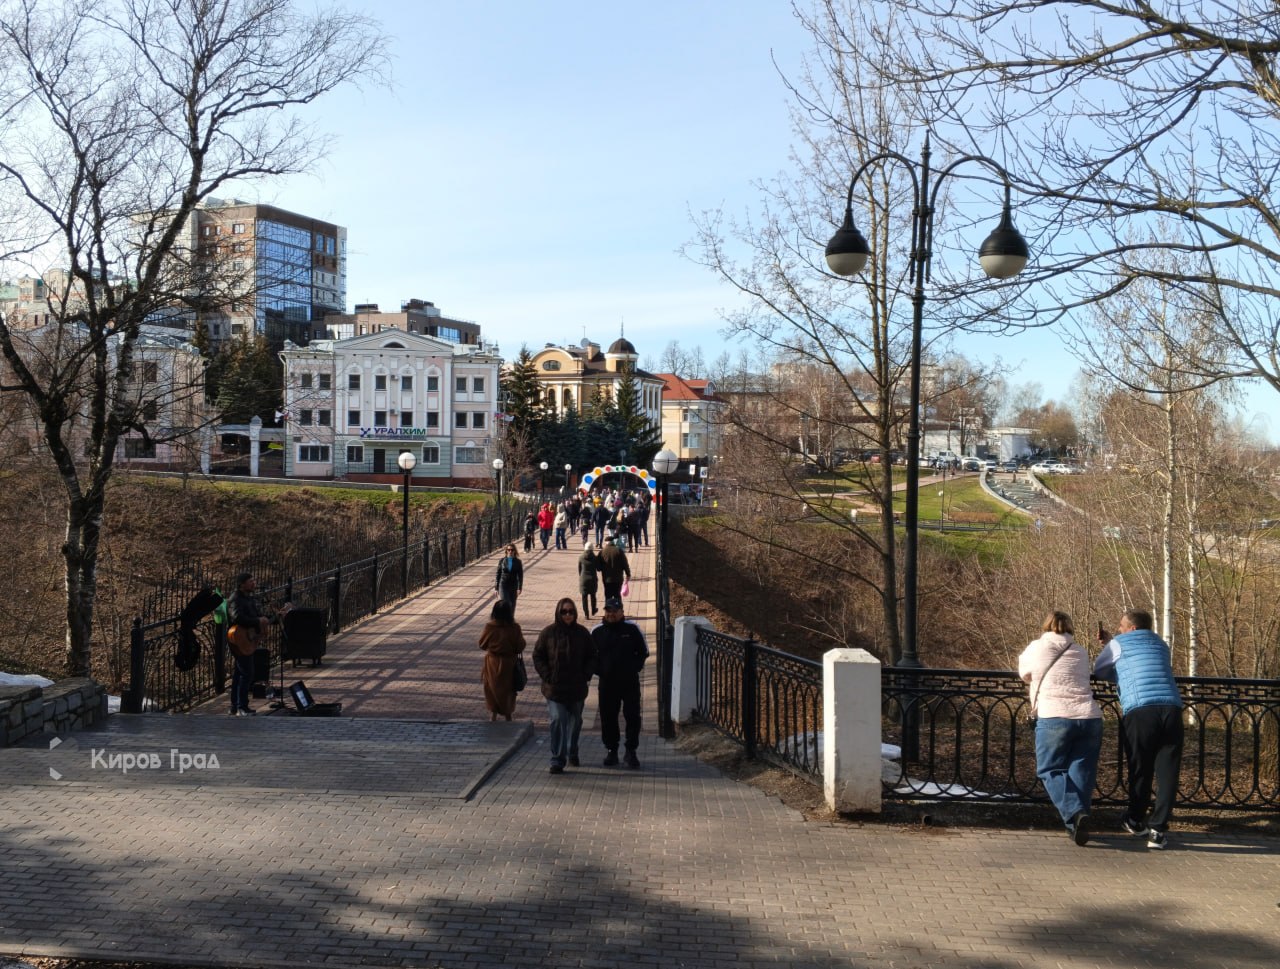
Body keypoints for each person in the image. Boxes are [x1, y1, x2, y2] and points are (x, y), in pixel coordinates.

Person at [1095, 609, 1184, 849]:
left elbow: (1100, 670)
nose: (1119, 629)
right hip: (1172, 708)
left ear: (1132, 628)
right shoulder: (1162, 644)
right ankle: (1158, 830)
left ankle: (1135, 819)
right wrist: (1112, 643)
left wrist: (1112, 652)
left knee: (1140, 767)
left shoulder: (1118, 644)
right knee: (1168, 772)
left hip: (1141, 709)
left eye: (1121, 626)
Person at [1018, 611, 1102, 846]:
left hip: (1054, 715)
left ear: (1046, 626)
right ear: (1070, 627)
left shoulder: (1036, 647)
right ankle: (1076, 825)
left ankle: (1075, 812)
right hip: (1089, 716)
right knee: (1081, 771)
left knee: (1049, 769)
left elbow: (1024, 674)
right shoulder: (1080, 650)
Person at [532, 597, 597, 774]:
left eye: (570, 611)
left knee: (575, 723)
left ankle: (572, 750)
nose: (567, 615)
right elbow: (538, 655)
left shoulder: (582, 633)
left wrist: (586, 674)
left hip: (576, 688)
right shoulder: (548, 633)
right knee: (558, 720)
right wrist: (547, 675)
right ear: (558, 613)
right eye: (564, 612)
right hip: (554, 689)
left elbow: (592, 655)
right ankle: (557, 759)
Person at [591, 595, 649, 768]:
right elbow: (590, 656)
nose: (611, 614)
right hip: (607, 683)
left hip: (629, 682)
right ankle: (612, 750)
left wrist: (634, 668)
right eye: (608, 610)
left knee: (632, 716)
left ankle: (631, 751)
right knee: (608, 717)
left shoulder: (632, 629)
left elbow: (643, 651)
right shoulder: (597, 631)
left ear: (622, 612)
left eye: (615, 611)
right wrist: (600, 670)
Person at [226, 571, 280, 717]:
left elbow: (258, 617)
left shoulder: (249, 599)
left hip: (248, 638)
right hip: (239, 639)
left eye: (254, 581)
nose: (254, 584)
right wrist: (257, 621)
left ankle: (235, 706)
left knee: (240, 673)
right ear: (241, 584)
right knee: (247, 673)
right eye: (250, 581)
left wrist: (276, 617)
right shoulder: (235, 599)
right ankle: (242, 707)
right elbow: (237, 617)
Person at [478, 599, 526, 722]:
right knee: (508, 690)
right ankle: (508, 716)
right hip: (509, 664)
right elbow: (520, 646)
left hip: (492, 664)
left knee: (492, 689)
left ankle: (493, 715)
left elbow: (482, 644)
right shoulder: (515, 628)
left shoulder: (490, 627)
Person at [597, 534, 630, 603]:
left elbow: (598, 568)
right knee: (617, 595)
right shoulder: (619, 551)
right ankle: (618, 608)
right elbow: (625, 564)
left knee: (608, 595)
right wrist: (628, 574)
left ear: (606, 542)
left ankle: (608, 608)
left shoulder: (602, 552)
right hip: (618, 578)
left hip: (607, 579)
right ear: (613, 542)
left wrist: (602, 568)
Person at [494, 544, 524, 616]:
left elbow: (520, 576)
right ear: (506, 551)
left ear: (514, 551)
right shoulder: (502, 561)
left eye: (512, 550)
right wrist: (496, 588)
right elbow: (498, 574)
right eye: (508, 550)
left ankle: (510, 619)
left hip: (513, 585)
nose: (510, 551)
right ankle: (505, 618)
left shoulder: (518, 562)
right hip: (503, 584)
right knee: (506, 603)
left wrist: (519, 588)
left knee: (512, 604)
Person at [578, 543, 601, 618]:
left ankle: (586, 614)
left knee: (584, 597)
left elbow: (579, 569)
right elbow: (598, 568)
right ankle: (593, 610)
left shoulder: (581, 557)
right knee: (593, 596)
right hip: (592, 579)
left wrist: (581, 576)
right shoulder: (595, 558)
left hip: (584, 579)